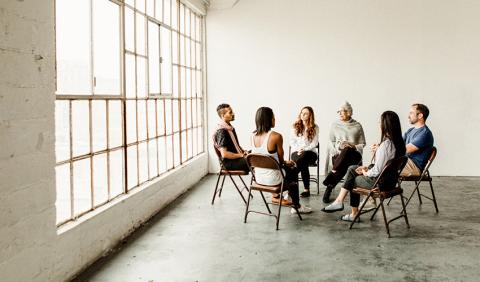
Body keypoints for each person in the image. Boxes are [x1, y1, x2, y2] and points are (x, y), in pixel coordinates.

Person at [321, 111, 406, 222]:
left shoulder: (386, 145)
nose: (379, 124)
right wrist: (367, 167)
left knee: (352, 179)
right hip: (390, 181)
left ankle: (352, 213)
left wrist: (366, 172)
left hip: (380, 184)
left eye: (380, 121)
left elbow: (376, 171)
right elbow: (384, 166)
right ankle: (339, 201)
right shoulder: (399, 143)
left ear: (386, 125)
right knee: (352, 168)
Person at [250, 107, 312, 214]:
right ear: (268, 120)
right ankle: (296, 205)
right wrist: (287, 162)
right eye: (273, 117)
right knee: (293, 169)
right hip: (274, 180)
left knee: (290, 168)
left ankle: (286, 198)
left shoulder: (252, 136)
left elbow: (261, 157)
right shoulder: (276, 136)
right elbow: (280, 161)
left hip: (258, 179)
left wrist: (284, 162)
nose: (275, 120)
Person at [322, 102, 366, 203]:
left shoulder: (357, 126)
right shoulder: (335, 125)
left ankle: (330, 184)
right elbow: (330, 142)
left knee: (347, 150)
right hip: (338, 154)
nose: (339, 114)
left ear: (349, 112)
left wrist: (352, 146)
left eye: (342, 112)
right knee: (345, 161)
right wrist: (339, 146)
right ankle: (330, 184)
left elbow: (363, 143)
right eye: (339, 112)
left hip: (354, 154)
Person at [289, 106, 319, 198]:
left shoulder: (315, 127)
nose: (302, 115)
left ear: (310, 116)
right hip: (296, 153)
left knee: (303, 159)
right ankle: (306, 189)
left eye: (305, 113)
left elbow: (314, 143)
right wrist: (299, 149)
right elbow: (291, 141)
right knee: (303, 162)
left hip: (310, 153)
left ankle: (291, 185)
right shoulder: (295, 126)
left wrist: (304, 149)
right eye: (302, 113)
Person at [212, 104, 249, 172]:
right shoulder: (222, 131)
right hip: (229, 163)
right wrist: (241, 155)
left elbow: (235, 146)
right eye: (230, 112)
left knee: (257, 155)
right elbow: (224, 154)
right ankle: (261, 181)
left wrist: (244, 151)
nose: (233, 114)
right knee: (256, 161)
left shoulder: (229, 128)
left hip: (236, 159)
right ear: (223, 116)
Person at [400, 103, 434, 177]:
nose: (408, 116)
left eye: (411, 113)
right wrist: (381, 147)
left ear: (420, 115)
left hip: (414, 167)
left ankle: (376, 185)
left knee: (386, 165)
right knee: (383, 163)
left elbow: (404, 150)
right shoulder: (410, 131)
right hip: (405, 162)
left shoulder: (425, 134)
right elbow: (398, 143)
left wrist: (384, 149)